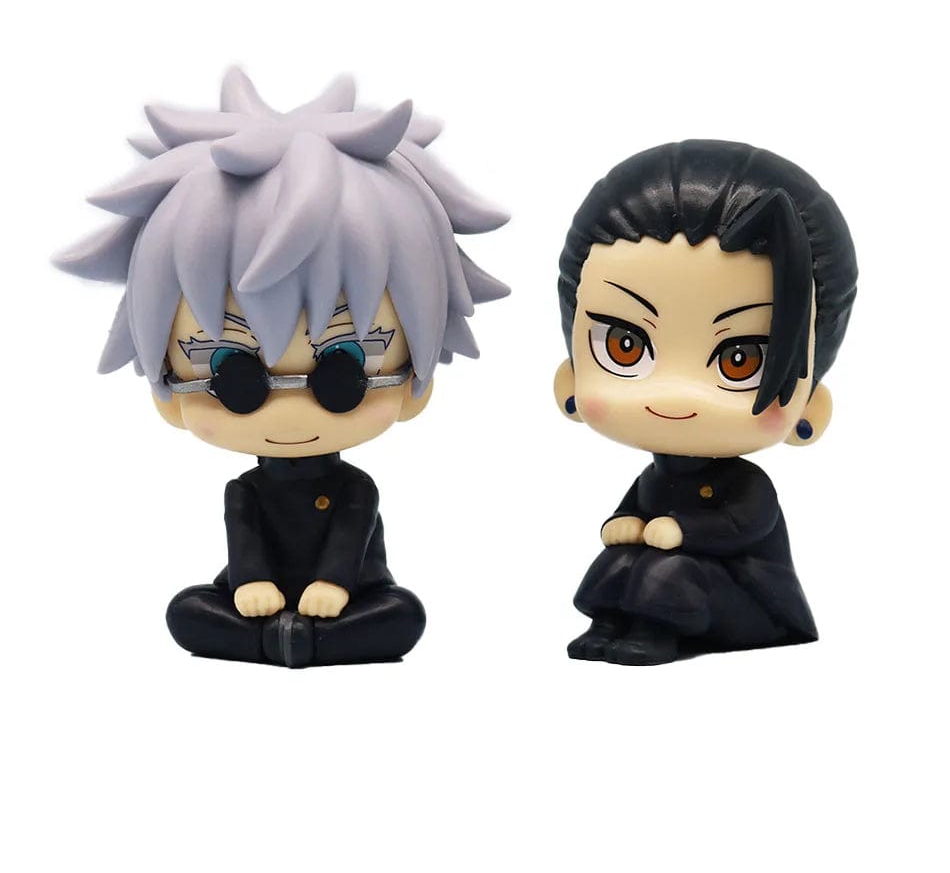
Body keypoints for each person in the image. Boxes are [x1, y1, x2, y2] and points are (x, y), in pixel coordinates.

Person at [56, 67, 508, 668]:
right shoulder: (244, 492)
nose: (289, 408)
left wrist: (334, 587)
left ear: (416, 384)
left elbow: (349, 542)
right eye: (234, 378)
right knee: (187, 612)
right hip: (255, 602)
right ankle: (292, 640)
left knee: (402, 616)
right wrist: (249, 584)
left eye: (343, 374)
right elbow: (245, 547)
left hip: (351, 598)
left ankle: (281, 641)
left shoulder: (355, 490)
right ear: (167, 386)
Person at [554, 140, 857, 664]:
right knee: (621, 561)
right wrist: (624, 524)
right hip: (687, 578)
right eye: (626, 346)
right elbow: (634, 511)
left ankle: (651, 631)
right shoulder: (655, 478)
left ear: (811, 408)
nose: (676, 392)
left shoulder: (747, 486)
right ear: (571, 380)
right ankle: (609, 624)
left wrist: (683, 531)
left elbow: (741, 525)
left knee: (668, 570)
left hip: (749, 601)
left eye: (741, 360)